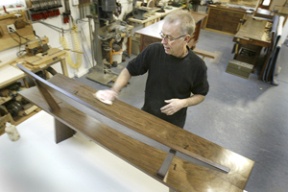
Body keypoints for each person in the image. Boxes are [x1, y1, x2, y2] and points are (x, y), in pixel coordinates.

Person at [96, 10, 209, 128]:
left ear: (186, 39)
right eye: (163, 35)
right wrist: (114, 90)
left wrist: (183, 103)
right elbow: (129, 70)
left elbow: (200, 95)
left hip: (174, 121)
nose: (163, 42)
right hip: (148, 112)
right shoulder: (154, 50)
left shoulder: (197, 66)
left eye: (169, 38)